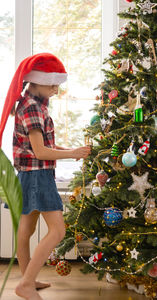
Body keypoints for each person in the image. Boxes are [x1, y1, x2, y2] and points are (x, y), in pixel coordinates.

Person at [0, 53, 91, 300]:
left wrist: (71, 152)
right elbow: (40, 152)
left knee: (26, 230)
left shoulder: (32, 104)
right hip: (38, 176)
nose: (56, 90)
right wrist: (72, 152)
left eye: (58, 85)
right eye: (52, 84)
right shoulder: (31, 107)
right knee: (58, 231)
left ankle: (26, 278)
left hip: (28, 175)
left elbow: (40, 146)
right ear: (36, 81)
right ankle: (26, 284)